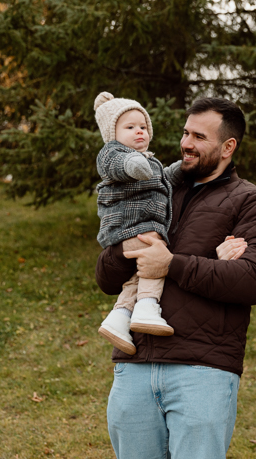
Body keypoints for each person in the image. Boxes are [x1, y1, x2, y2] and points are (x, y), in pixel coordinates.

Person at [94, 97, 256, 459]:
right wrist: (127, 248)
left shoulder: (253, 203)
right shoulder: (153, 186)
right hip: (134, 366)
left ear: (228, 147)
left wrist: (171, 264)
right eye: (185, 132)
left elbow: (253, 280)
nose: (185, 144)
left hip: (203, 371)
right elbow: (105, 278)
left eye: (199, 136)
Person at [93, 91, 183, 355]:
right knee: (157, 257)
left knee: (137, 274)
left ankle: (119, 318)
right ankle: (147, 307)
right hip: (130, 227)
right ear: (113, 133)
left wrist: (177, 170)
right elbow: (120, 165)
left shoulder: (149, 160)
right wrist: (134, 162)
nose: (139, 132)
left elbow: (160, 179)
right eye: (130, 127)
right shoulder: (112, 152)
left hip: (135, 228)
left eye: (143, 127)